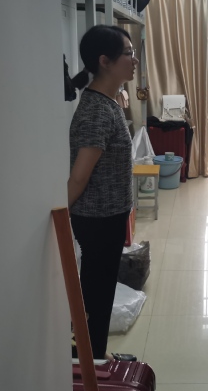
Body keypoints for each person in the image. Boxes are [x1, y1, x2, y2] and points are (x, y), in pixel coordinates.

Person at [68, 25, 139, 362]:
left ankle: (93, 356)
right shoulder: (97, 110)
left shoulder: (107, 102)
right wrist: (58, 215)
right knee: (96, 293)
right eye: (128, 53)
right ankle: (90, 361)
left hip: (108, 216)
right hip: (97, 219)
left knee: (100, 290)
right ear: (105, 61)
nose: (134, 60)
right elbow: (79, 176)